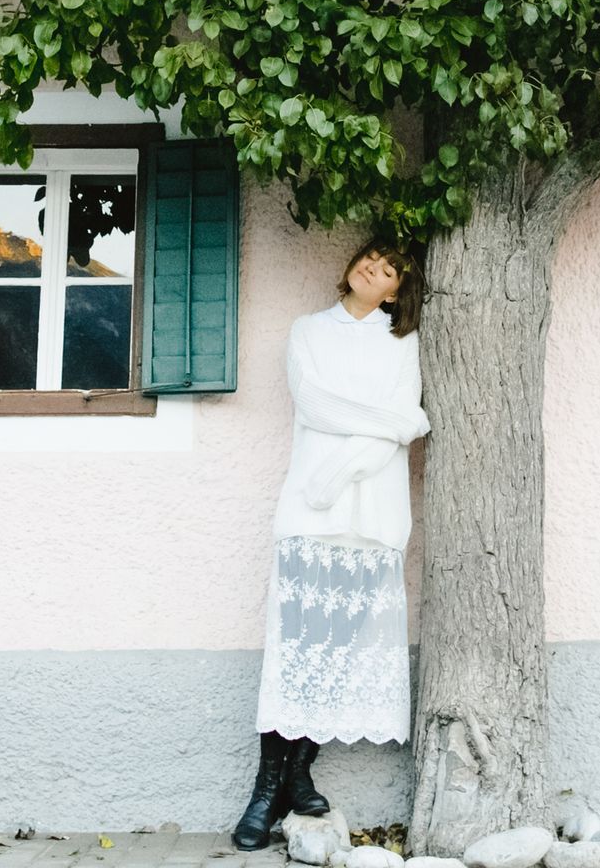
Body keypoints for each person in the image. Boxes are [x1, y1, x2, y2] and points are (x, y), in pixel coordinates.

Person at [232, 239, 430, 851]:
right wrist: (386, 423)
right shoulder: (308, 330)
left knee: (339, 647)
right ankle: (266, 789)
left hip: (370, 513)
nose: (375, 266)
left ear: (395, 290)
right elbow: (318, 405)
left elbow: (408, 420)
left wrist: (336, 474)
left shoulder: (402, 342)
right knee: (297, 646)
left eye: (390, 268)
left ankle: (299, 773)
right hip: (308, 515)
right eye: (372, 256)